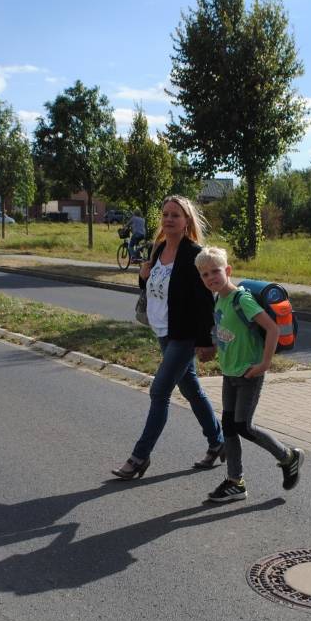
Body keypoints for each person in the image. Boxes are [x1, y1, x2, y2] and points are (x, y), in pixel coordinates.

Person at [112, 196, 224, 480]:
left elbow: (204, 300)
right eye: (165, 214)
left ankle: (139, 457)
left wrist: (206, 340)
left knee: (159, 392)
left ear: (186, 221)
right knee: (191, 388)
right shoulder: (159, 248)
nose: (169, 219)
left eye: (175, 215)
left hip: (185, 335)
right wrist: (142, 275)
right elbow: (151, 287)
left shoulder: (193, 254)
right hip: (163, 330)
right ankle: (218, 441)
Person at [194, 246, 302, 502]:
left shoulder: (241, 299)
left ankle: (288, 456)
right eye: (205, 274)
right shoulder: (218, 299)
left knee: (243, 425)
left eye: (215, 271)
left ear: (228, 270)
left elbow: (272, 329)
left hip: (250, 373)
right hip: (230, 372)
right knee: (229, 427)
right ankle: (235, 481)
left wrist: (265, 363)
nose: (211, 278)